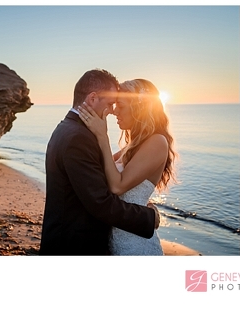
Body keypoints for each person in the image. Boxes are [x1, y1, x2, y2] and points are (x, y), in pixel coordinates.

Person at [40, 69, 160, 255]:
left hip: (96, 241)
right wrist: (148, 218)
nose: (112, 111)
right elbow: (101, 202)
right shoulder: (78, 138)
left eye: (118, 105)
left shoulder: (69, 129)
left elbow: (101, 181)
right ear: (93, 99)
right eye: (111, 103)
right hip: (74, 246)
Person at [78, 78, 176, 255]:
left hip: (136, 245)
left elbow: (117, 185)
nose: (114, 112)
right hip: (118, 239)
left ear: (139, 108)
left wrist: (102, 136)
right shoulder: (132, 147)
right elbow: (100, 170)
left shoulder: (157, 142)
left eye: (120, 106)